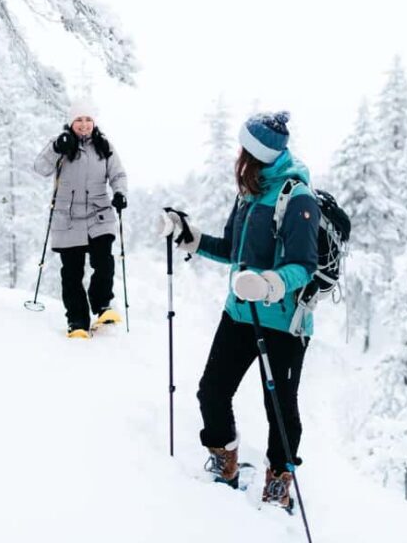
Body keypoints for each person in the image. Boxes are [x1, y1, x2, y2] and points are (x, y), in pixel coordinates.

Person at [162, 111, 319, 512]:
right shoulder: (250, 191)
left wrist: (269, 284)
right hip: (239, 312)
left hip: (284, 322)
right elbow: (235, 249)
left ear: (257, 154)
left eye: (245, 149)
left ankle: (278, 482)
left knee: (280, 410)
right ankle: (225, 461)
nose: (239, 155)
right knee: (212, 390)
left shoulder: (297, 197)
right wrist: (191, 238)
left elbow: (304, 265)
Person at [33, 99, 128, 339]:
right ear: (71, 122)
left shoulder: (104, 146)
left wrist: (120, 193)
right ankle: (77, 321)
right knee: (72, 274)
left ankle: (103, 305)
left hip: (99, 215)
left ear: (93, 122)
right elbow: (40, 168)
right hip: (68, 218)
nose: (84, 125)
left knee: (104, 263)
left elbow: (118, 174)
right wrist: (55, 147)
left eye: (88, 119)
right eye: (79, 120)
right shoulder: (62, 145)